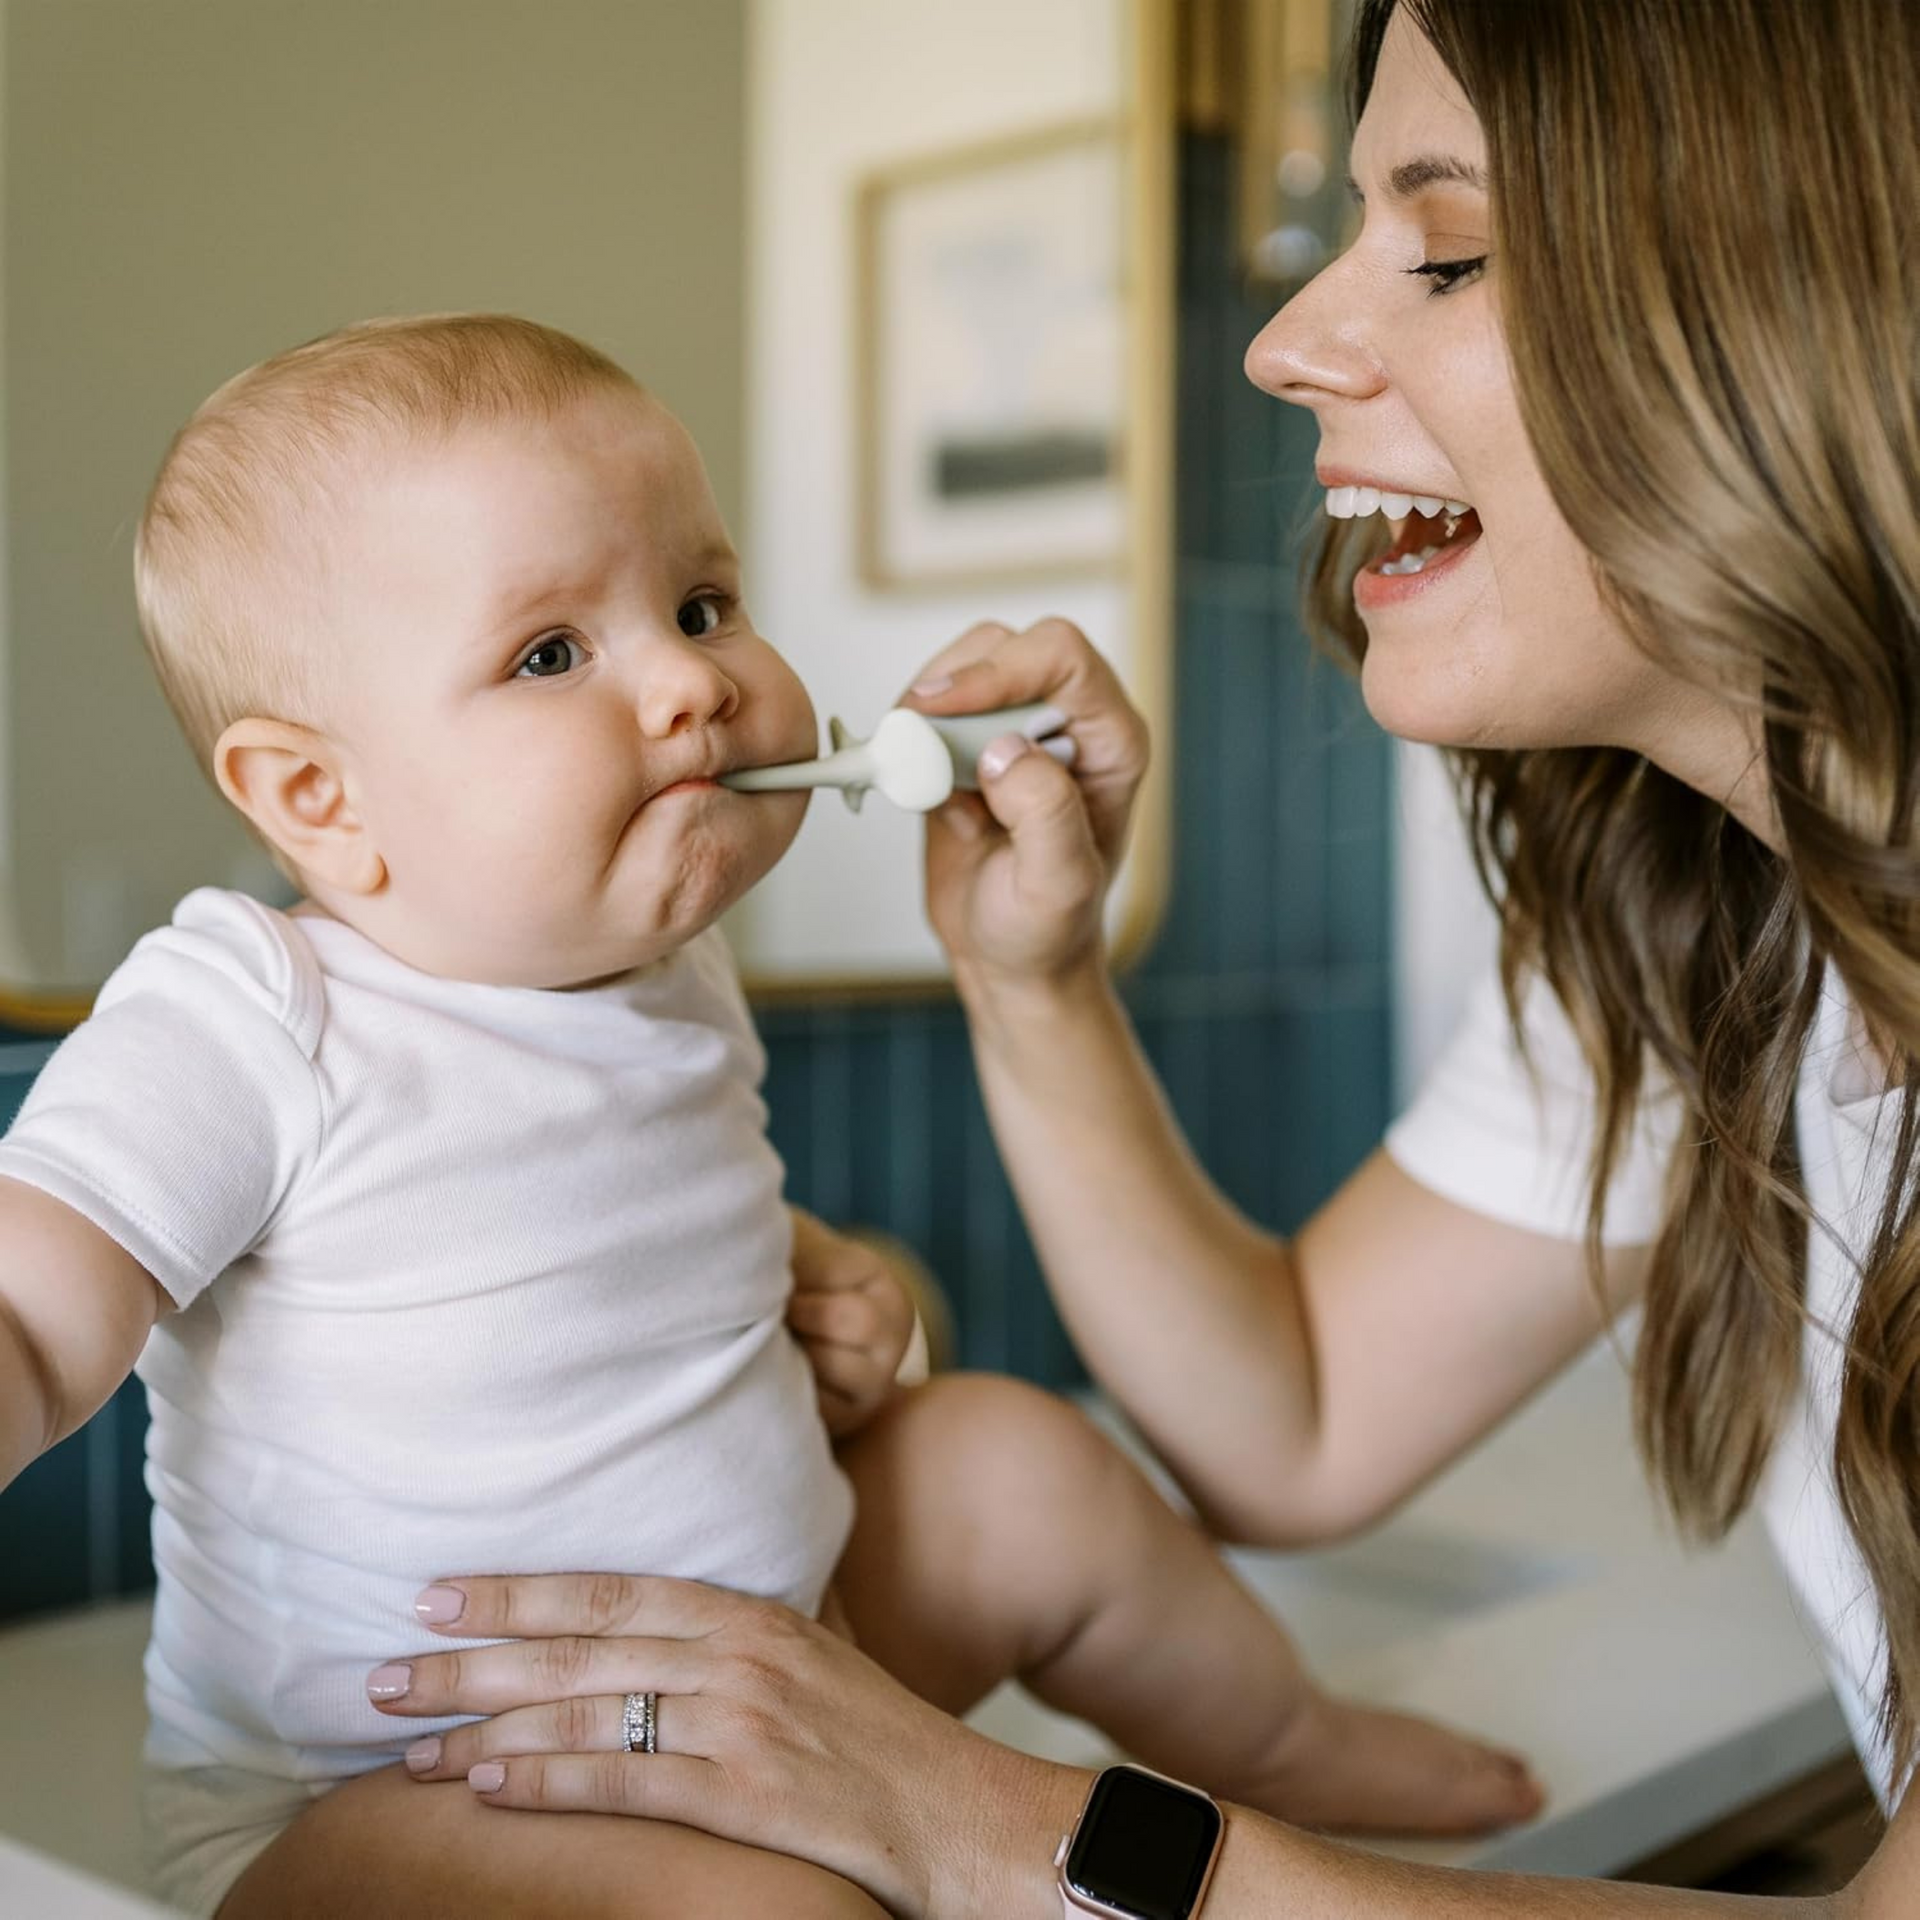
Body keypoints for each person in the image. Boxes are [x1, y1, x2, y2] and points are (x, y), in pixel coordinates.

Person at [330, 0, 1920, 1913]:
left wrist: (975, 1816)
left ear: (1818, 301)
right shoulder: (1710, 934)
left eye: (1451, 248)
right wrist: (1033, 972)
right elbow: (1302, 1419)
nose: (1283, 342)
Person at [0, 313, 1538, 1920]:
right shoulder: (252, 1013)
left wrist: (802, 1271)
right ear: (321, 798)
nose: (689, 681)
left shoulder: (671, 967)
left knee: (1020, 1464)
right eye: (550, 653)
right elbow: (38, 1317)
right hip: (409, 1795)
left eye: (700, 602)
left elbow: (566, 1225)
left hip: (789, 1666)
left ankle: (1282, 1747)